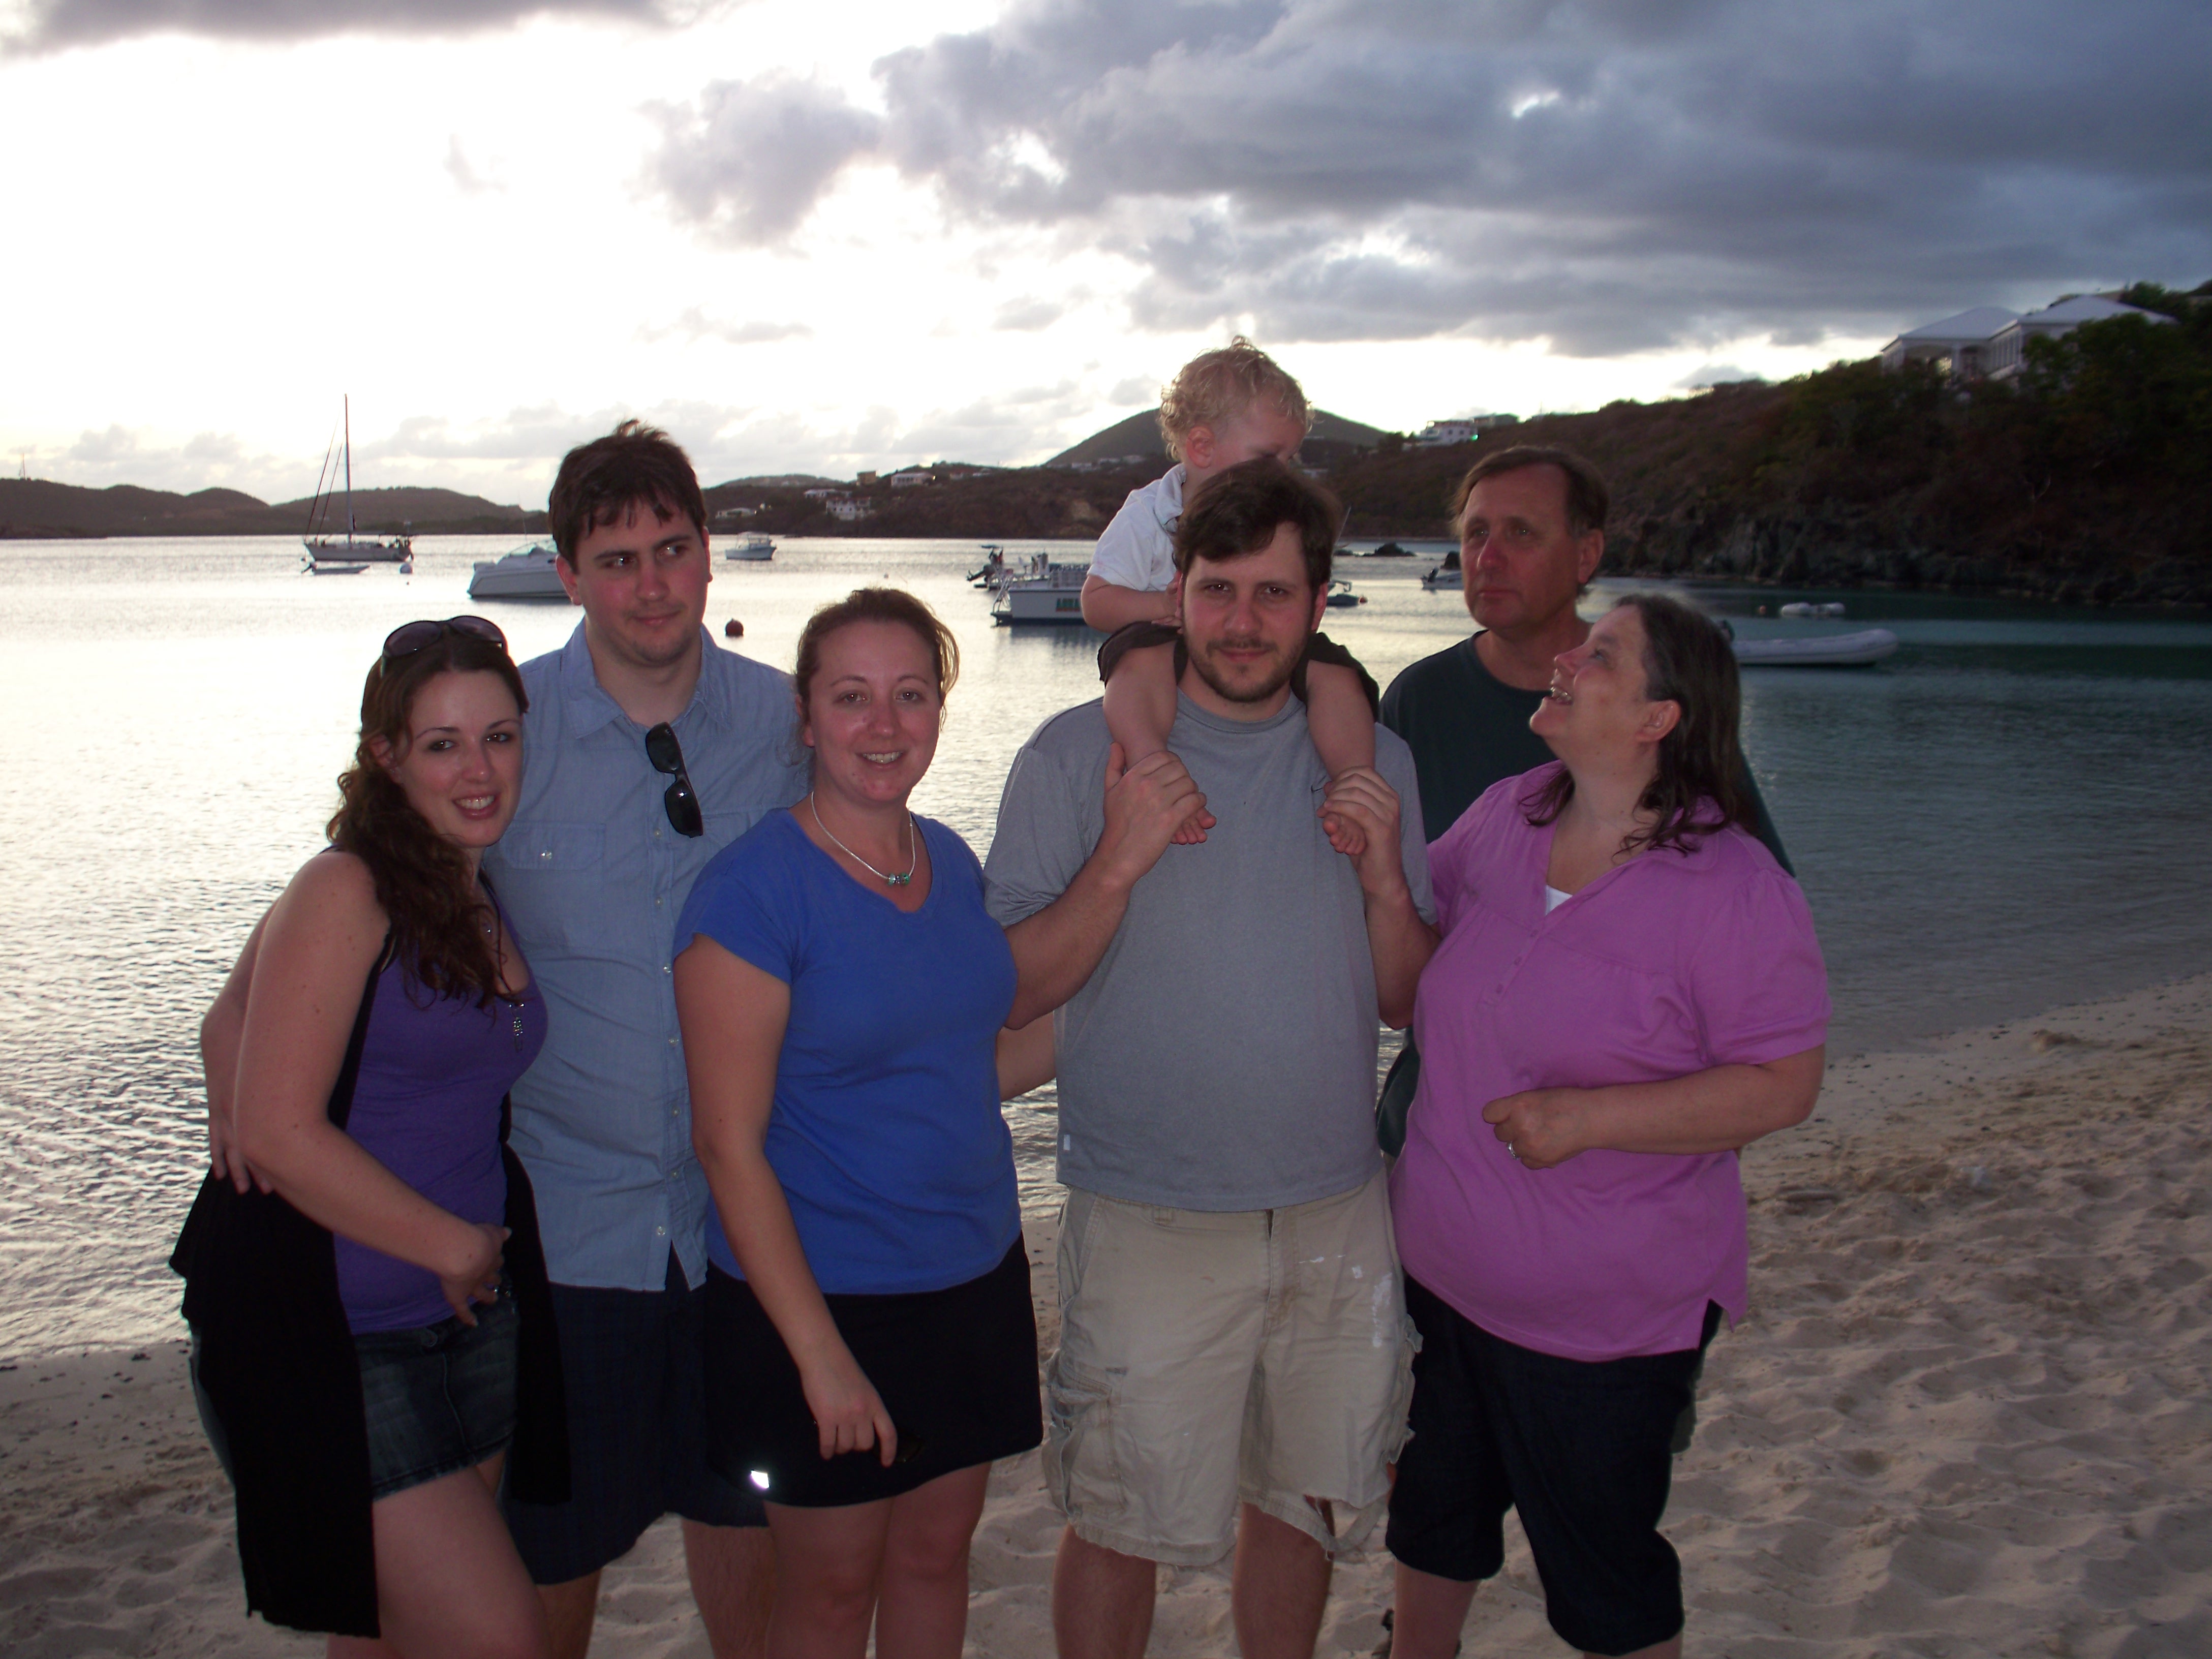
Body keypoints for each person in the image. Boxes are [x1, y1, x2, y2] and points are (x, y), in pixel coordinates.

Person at [986, 457, 1436, 1659]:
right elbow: (1012, 989)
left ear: (1318, 604)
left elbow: (1404, 997)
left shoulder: (1375, 764)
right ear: (1175, 594)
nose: (1242, 621)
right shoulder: (1072, 757)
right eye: (1217, 589)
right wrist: (1117, 858)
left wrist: (1385, 881)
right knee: (1117, 1520)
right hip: (1148, 1211)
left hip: (1336, 1207)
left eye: (1272, 593)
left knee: (1303, 1505)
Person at [1382, 594, 1829, 1659]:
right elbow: (1416, 948)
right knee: (1432, 1519)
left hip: (1605, 1324)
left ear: (1656, 718)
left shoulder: (1732, 885)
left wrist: (1592, 1117)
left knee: (1603, 1579)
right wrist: (1369, 870)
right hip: (1439, 1284)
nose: (1567, 658)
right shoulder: (1508, 811)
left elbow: (1783, 1083)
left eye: (1601, 655)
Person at [483, 422, 808, 1659]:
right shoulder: (504, 731)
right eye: (616, 560)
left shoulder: (788, 724)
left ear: (708, 554)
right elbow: (378, 896)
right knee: (552, 1555)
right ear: (568, 573)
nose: (652, 584)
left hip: (749, 1227)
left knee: (749, 1520)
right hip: (567, 1232)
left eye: (672, 549)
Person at [676, 589, 1050, 1659]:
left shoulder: (950, 862)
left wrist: (1126, 970)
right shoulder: (749, 894)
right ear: (804, 717)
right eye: (851, 697)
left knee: (936, 1558)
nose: (883, 725)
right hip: (822, 1301)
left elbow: (964, 1070)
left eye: (910, 695)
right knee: (833, 1592)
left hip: (971, 1279)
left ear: (939, 708)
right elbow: (726, 1145)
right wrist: (822, 1358)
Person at [182, 616, 561, 1652]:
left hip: (469, 1321)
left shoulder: (469, 884)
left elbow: (228, 1015)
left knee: (391, 1636)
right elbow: (277, 1126)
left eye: (498, 736)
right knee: (498, 1636)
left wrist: (232, 1076)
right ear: (387, 756)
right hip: (338, 1336)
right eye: (443, 744)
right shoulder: (347, 886)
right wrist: (452, 1242)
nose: (479, 769)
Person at [1373, 444, 1791, 1158]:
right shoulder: (1419, 701)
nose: (1488, 557)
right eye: (1476, 533)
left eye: (1521, 533)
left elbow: (1758, 950)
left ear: (1587, 553)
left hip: (1614, 1151)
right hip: (1437, 1127)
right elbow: (1396, 922)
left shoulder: (1658, 711)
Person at [1082, 337, 1379, 849]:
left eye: (1290, 457)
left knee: (1336, 673)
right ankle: (1154, 771)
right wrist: (1165, 607)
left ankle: (1355, 786)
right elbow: (1096, 601)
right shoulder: (1149, 512)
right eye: (1268, 457)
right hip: (1162, 634)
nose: (1282, 472)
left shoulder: (1282, 519)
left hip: (1247, 648)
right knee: (1134, 667)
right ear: (1201, 448)